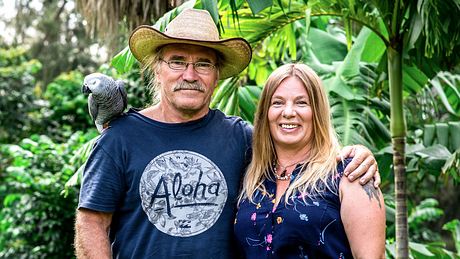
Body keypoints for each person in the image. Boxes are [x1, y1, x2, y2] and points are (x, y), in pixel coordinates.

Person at [74, 9, 380, 259]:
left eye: (203, 64)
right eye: (178, 61)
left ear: (217, 74)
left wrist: (357, 155)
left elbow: (301, 147)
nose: (189, 75)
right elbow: (91, 223)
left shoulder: (241, 138)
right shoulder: (119, 139)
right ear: (158, 69)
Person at [234, 63, 386, 258]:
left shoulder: (350, 173)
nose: (288, 112)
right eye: (278, 103)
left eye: (301, 103)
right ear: (265, 113)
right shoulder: (252, 177)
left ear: (317, 111)